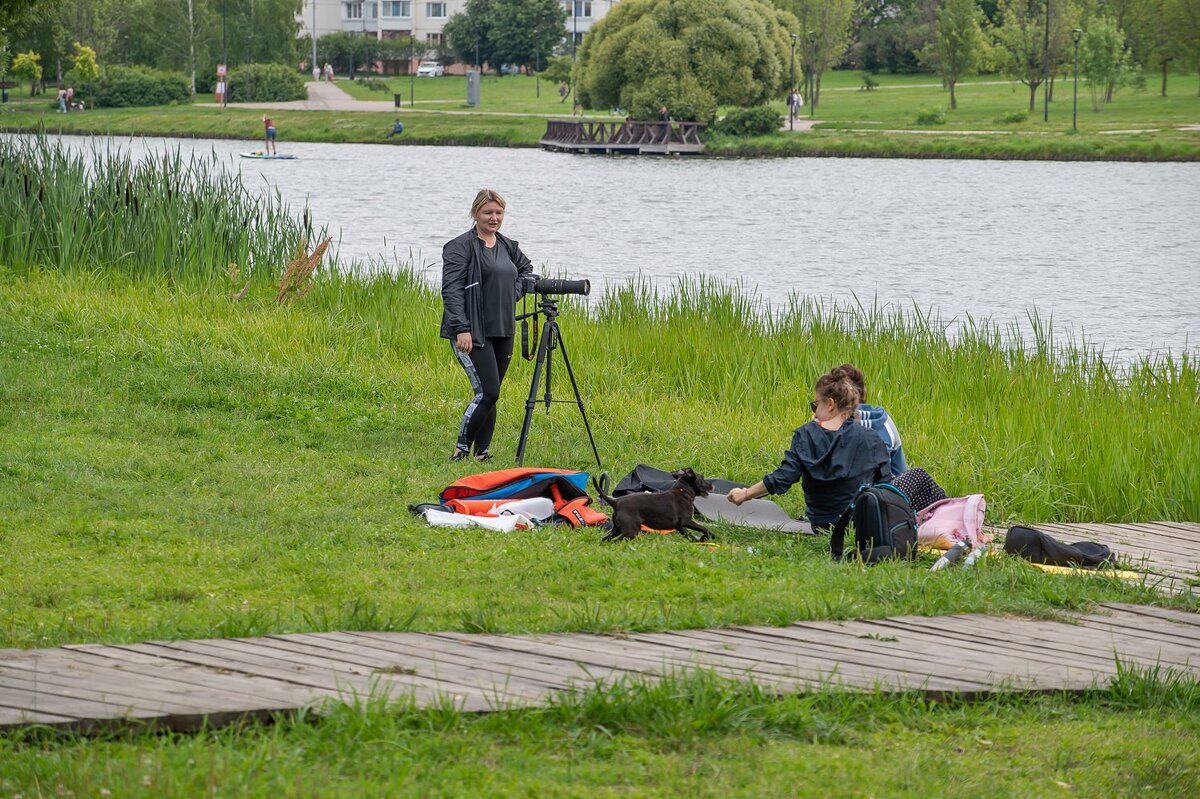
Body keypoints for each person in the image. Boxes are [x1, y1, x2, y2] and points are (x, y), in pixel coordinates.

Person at [727, 366, 890, 533]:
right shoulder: (872, 437)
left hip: (820, 523)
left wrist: (745, 494)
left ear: (831, 404)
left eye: (816, 405)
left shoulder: (806, 434)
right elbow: (885, 483)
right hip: (859, 523)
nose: (815, 412)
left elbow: (784, 476)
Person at [440, 189, 535, 462]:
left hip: (503, 329)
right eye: (488, 213)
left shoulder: (508, 246)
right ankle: (461, 449)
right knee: (488, 390)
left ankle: (483, 452)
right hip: (473, 331)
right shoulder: (459, 247)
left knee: (492, 393)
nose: (494, 218)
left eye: (498, 213)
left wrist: (513, 293)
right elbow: (452, 291)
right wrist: (461, 328)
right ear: (475, 214)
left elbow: (527, 271)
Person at [837, 362, 947, 512]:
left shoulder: (824, 423)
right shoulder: (883, 421)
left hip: (837, 503)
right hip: (879, 499)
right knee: (919, 476)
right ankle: (942, 513)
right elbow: (889, 471)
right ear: (862, 393)